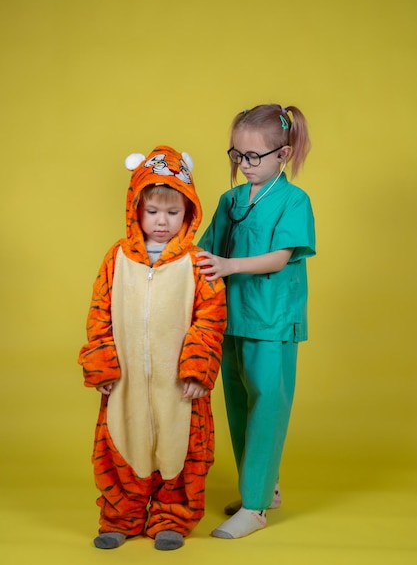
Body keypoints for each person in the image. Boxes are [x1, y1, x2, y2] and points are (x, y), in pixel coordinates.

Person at [79, 146, 226, 551]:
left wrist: (198, 368)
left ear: (189, 213)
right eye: (152, 212)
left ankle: (172, 518)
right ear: (135, 210)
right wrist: (102, 364)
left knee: (180, 449)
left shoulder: (198, 264)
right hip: (125, 380)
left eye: (173, 213)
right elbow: (99, 311)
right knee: (122, 444)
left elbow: (210, 318)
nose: (162, 222)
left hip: (179, 385)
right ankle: (119, 516)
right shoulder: (118, 258)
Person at [196, 103, 316, 539]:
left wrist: (228, 267)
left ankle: (256, 506)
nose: (243, 165)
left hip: (271, 319)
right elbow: (204, 253)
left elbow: (281, 257)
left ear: (282, 155)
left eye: (253, 157)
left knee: (268, 403)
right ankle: (264, 486)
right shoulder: (229, 201)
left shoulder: (293, 200)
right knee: (238, 404)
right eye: (237, 155)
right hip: (231, 319)